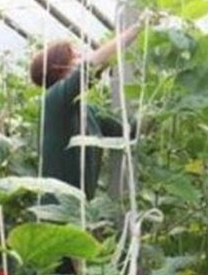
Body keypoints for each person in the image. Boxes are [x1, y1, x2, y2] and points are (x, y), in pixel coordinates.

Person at [29, 21, 143, 202]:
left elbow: (130, 131)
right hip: (57, 212)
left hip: (81, 211)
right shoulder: (53, 101)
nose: (82, 56)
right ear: (58, 68)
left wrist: (165, 104)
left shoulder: (88, 111)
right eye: (75, 56)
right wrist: (138, 27)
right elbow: (90, 68)